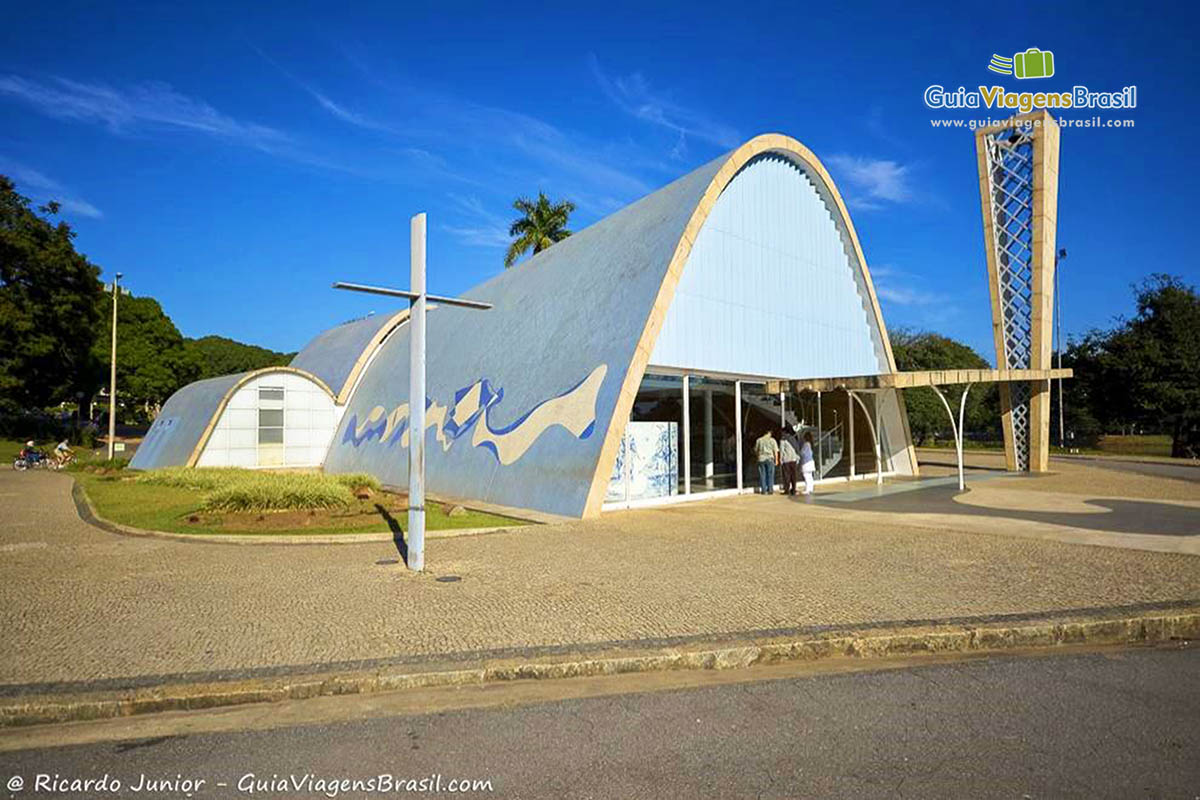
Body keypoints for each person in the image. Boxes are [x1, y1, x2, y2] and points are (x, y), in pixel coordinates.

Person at [754, 429, 779, 495]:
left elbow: (756, 450)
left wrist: (758, 457)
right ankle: (770, 490)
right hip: (770, 459)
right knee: (770, 475)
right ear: (769, 433)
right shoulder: (772, 440)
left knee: (762, 475)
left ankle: (763, 490)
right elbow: (775, 451)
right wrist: (776, 460)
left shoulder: (759, 440)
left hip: (761, 459)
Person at [779, 427, 799, 495]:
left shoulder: (783, 440)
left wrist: (781, 459)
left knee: (786, 475)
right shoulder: (793, 439)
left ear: (784, 432)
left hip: (786, 460)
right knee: (793, 475)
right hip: (793, 459)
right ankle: (793, 489)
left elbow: (781, 450)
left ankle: (787, 490)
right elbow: (797, 448)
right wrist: (797, 457)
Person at [799, 431, 816, 495]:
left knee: (806, 476)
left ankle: (808, 489)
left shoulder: (806, 444)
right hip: (811, 462)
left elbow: (803, 453)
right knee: (810, 476)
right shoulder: (810, 444)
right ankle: (810, 488)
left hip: (806, 462)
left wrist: (800, 452)